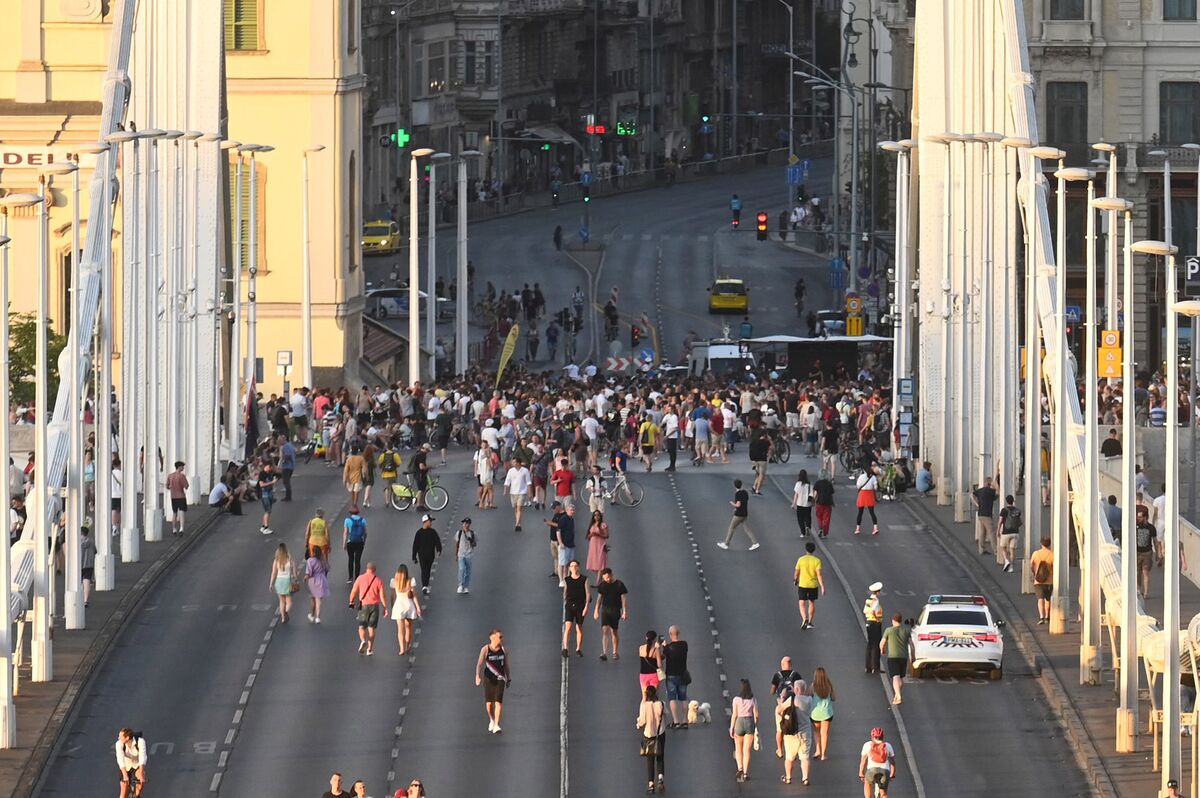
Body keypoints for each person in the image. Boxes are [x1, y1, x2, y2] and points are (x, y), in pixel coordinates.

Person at [475, 628, 511, 734]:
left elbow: (506, 665)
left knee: (498, 702)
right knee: (489, 703)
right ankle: (491, 719)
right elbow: (479, 664)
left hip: (500, 678)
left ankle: (496, 724)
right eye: (500, 637)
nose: (502, 639)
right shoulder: (486, 649)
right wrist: (477, 675)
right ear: (492, 637)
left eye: (502, 637)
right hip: (489, 678)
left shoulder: (504, 650)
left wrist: (508, 678)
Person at [778, 679, 813, 786]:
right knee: (805, 756)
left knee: (789, 757)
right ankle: (805, 778)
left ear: (797, 689)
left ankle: (788, 777)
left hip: (792, 732)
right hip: (805, 732)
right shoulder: (809, 700)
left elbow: (780, 709)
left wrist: (781, 701)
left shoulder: (793, 699)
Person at [348, 562, 388, 655]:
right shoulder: (378, 580)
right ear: (374, 570)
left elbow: (354, 591)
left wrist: (351, 602)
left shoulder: (360, 578)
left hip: (364, 606)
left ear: (367, 569)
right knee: (372, 628)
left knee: (362, 626)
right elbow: (382, 596)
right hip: (374, 606)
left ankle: (363, 640)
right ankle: (370, 649)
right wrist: (385, 607)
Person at [637, 683, 669, 794]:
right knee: (660, 756)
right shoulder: (661, 704)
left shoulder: (644, 706)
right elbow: (666, 713)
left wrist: (638, 724)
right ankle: (660, 778)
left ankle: (651, 784)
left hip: (649, 734)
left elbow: (642, 722)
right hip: (660, 733)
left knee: (650, 759)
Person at [770, 657, 804, 756]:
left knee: (779, 729)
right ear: (790, 664)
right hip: (793, 705)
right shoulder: (796, 675)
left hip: (781, 705)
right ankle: (797, 750)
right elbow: (801, 689)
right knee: (795, 726)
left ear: (782, 664)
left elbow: (772, 691)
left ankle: (780, 750)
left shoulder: (777, 675)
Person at [595, 567, 629, 661]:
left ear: (611, 575)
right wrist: (596, 610)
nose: (607, 579)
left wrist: (625, 611)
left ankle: (615, 651)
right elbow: (599, 598)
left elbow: (624, 599)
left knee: (614, 631)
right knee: (605, 630)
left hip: (615, 610)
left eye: (608, 577)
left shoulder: (619, 584)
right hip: (605, 609)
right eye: (605, 578)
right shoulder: (602, 585)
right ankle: (604, 652)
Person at [880, 613, 914, 704]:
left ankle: (898, 696)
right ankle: (897, 694)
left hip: (893, 657)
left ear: (893, 620)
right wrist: (913, 657)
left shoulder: (888, 630)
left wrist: (882, 650)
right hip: (903, 657)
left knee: (895, 677)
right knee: (900, 677)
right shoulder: (906, 630)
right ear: (901, 621)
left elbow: (882, 642)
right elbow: (911, 644)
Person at [729, 679, 759, 783]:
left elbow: (734, 714)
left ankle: (740, 768)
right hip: (749, 721)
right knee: (746, 750)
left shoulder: (736, 699)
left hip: (739, 722)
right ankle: (746, 773)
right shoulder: (753, 699)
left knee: (738, 748)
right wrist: (756, 726)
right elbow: (756, 715)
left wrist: (731, 727)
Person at [718, 479, 759, 550]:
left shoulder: (738, 494)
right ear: (741, 485)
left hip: (738, 515)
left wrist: (732, 504)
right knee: (747, 529)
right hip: (745, 513)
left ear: (735, 486)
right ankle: (755, 543)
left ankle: (726, 544)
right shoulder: (745, 492)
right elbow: (744, 502)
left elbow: (738, 505)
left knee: (731, 528)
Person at [391, 563, 422, 655]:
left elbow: (392, 596)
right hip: (409, 606)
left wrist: (392, 605)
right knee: (408, 628)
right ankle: (408, 645)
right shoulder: (410, 581)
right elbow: (414, 595)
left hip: (399, 606)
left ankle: (401, 648)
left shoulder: (394, 581)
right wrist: (418, 607)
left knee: (400, 630)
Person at [793, 541, 825, 629]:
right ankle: (810, 621)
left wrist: (795, 579)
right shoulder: (817, 561)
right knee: (811, 602)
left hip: (803, 584)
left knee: (801, 602)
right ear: (813, 550)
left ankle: (804, 618)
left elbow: (796, 572)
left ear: (806, 549)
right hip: (813, 585)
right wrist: (822, 586)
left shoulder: (801, 559)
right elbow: (819, 574)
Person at [562, 559, 589, 657]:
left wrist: (586, 607)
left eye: (575, 566)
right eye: (572, 566)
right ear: (569, 568)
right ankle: (565, 648)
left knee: (579, 627)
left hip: (580, 606)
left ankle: (578, 648)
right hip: (570, 605)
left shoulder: (584, 579)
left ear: (578, 567)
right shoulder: (567, 580)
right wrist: (566, 602)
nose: (573, 568)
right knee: (568, 627)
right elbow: (565, 592)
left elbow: (588, 594)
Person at [661, 625, 688, 725]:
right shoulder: (684, 644)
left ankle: (676, 721)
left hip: (671, 676)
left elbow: (663, 657)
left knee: (672, 698)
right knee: (683, 697)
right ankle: (685, 720)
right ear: (678, 633)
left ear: (670, 634)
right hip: (683, 674)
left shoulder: (668, 647)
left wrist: (664, 646)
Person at [860, 727, 897, 798]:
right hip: (885, 771)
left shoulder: (867, 745)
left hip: (871, 771)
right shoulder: (887, 745)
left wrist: (861, 774)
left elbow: (863, 761)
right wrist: (892, 774)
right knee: (884, 794)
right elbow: (892, 762)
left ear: (872, 736)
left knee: (867, 782)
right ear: (883, 736)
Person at [412, 514, 443, 595]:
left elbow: (437, 541)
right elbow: (415, 545)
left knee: (428, 570)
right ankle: (425, 586)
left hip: (430, 555)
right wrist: (414, 557)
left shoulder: (433, 532)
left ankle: (426, 584)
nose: (431, 523)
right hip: (422, 555)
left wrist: (439, 550)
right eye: (430, 521)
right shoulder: (419, 533)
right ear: (425, 522)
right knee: (424, 569)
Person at [1135, 505, 1161, 598]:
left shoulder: (1151, 528)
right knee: (1138, 572)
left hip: (1147, 553)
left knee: (1145, 572)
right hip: (1137, 553)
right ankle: (1138, 589)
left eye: (1140, 517)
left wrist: (1158, 553)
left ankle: (1146, 592)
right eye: (1137, 517)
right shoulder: (1135, 526)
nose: (1138, 518)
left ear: (1145, 517)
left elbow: (1155, 541)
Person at [809, 666, 835, 760]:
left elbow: (809, 696)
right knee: (824, 733)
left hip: (815, 713)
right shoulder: (828, 685)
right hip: (827, 713)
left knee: (816, 732)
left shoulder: (813, 686)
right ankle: (823, 754)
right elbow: (834, 697)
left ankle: (817, 750)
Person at [115, 727, 147, 798]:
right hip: (125, 765)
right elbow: (120, 759)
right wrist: (125, 775)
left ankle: (136, 796)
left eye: (120, 737)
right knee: (123, 791)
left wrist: (141, 773)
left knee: (141, 782)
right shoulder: (118, 744)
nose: (118, 738)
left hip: (137, 764)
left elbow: (142, 757)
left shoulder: (140, 741)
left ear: (127, 738)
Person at [269, 542, 297, 623]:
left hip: (279, 581)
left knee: (281, 601)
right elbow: (294, 571)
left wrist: (271, 584)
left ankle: (283, 618)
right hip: (287, 581)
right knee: (289, 601)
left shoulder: (276, 560)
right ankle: (286, 612)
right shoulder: (290, 559)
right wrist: (296, 579)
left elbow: (274, 573)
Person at [971, 476, 998, 556]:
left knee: (983, 532)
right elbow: (998, 493)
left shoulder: (980, 491)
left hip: (980, 514)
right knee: (992, 532)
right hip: (987, 515)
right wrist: (995, 485)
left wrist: (976, 504)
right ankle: (996, 550)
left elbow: (972, 495)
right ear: (989, 483)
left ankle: (981, 549)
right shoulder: (990, 491)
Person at [1030, 536, 1054, 624]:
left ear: (1041, 543)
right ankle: (1048, 616)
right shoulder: (1052, 554)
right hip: (1049, 581)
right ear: (1049, 544)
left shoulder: (1036, 554)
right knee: (1048, 599)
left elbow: (1031, 565)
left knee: (1040, 599)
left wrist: (1035, 573)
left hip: (1038, 580)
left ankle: (1041, 617)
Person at [504, 457, 531, 531]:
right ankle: (518, 522)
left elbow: (528, 482)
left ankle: (517, 524)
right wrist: (505, 490)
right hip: (513, 492)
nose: (512, 463)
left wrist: (529, 493)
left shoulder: (525, 471)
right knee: (516, 508)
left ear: (518, 463)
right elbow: (507, 481)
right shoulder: (511, 471)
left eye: (514, 462)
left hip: (522, 492)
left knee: (519, 508)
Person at [304, 545, 330, 623]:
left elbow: (309, 573)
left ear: (313, 552)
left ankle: (312, 615)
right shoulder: (323, 560)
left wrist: (305, 578)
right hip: (322, 579)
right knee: (318, 599)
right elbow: (327, 568)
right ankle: (318, 617)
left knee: (313, 599)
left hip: (313, 580)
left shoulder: (310, 561)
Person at [997, 495, 1022, 572]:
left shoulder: (1004, 510)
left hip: (1006, 532)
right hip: (1015, 532)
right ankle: (1011, 567)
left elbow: (1000, 521)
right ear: (1013, 501)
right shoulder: (1017, 510)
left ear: (1006, 501)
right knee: (1012, 550)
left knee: (1003, 547)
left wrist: (998, 530)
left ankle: (1007, 560)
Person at [863, 581, 884, 674]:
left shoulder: (868, 600)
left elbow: (865, 611)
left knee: (870, 644)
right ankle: (875, 667)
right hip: (875, 624)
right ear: (878, 592)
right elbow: (873, 612)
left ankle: (868, 666)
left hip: (868, 623)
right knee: (876, 645)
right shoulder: (876, 601)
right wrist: (877, 619)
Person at [344, 506, 368, 584]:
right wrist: (364, 541)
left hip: (350, 542)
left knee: (351, 559)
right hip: (359, 542)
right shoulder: (363, 520)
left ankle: (350, 577)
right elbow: (365, 533)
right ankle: (357, 578)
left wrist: (344, 543)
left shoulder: (347, 520)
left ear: (350, 512)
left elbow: (345, 533)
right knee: (357, 560)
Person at [556, 504, 578, 585]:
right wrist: (561, 543)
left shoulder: (571, 519)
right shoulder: (563, 519)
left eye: (573, 510)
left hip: (571, 544)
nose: (572, 511)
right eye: (570, 510)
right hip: (564, 545)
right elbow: (558, 531)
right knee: (562, 563)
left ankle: (567, 579)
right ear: (567, 510)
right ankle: (561, 580)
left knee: (569, 563)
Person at [165, 461, 189, 536]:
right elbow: (186, 486)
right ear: (179, 467)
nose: (183, 468)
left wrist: (171, 487)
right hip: (181, 496)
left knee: (174, 513)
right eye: (182, 466)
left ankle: (174, 529)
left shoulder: (170, 476)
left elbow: (167, 486)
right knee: (181, 512)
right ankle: (181, 528)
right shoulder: (182, 476)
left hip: (173, 497)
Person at [854, 466, 880, 535]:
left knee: (860, 512)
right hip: (870, 494)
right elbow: (875, 487)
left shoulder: (861, 477)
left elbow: (858, 486)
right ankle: (875, 528)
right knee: (872, 512)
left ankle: (857, 528)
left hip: (862, 494)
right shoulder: (873, 477)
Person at [455, 517, 477, 594]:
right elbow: (457, 544)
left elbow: (475, 544)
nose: (465, 525)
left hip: (469, 555)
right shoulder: (459, 533)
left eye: (467, 523)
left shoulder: (472, 533)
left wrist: (471, 541)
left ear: (469, 524)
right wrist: (456, 554)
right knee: (462, 568)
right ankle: (460, 585)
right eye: (464, 523)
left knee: (468, 571)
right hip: (461, 554)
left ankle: (466, 586)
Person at [585, 509, 610, 580]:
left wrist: (598, 534)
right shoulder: (592, 525)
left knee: (601, 563)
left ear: (600, 516)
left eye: (598, 515)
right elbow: (588, 536)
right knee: (595, 562)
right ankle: (602, 580)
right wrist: (591, 535)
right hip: (593, 546)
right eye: (595, 515)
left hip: (600, 545)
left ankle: (598, 582)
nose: (596, 516)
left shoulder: (603, 525)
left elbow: (607, 535)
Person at [639, 630, 664, 696]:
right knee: (653, 695)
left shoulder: (641, 648)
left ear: (646, 638)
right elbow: (659, 665)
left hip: (643, 675)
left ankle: (644, 706)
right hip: (653, 675)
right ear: (655, 639)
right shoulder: (656, 650)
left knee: (644, 697)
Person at [257, 461, 278, 535]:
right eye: (272, 467)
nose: (272, 469)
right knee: (267, 511)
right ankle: (266, 527)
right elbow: (261, 484)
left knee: (268, 511)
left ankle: (263, 526)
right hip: (264, 495)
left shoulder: (270, 473)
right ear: (268, 466)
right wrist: (272, 482)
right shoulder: (262, 474)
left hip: (269, 494)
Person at [791, 470, 814, 537]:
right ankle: (808, 526)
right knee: (808, 516)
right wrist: (813, 503)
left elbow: (796, 494)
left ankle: (803, 532)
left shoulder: (798, 484)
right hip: (807, 504)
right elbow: (812, 494)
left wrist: (793, 503)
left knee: (800, 518)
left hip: (800, 503)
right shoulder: (810, 484)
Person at [748, 430, 771, 494]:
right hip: (763, 460)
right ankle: (757, 489)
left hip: (755, 460)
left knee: (758, 474)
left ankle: (754, 487)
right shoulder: (766, 442)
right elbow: (771, 448)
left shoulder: (754, 441)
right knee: (762, 475)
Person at [813, 471, 835, 538]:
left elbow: (815, 493)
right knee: (826, 518)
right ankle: (824, 532)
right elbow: (831, 493)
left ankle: (820, 528)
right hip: (828, 503)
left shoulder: (817, 483)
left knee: (819, 517)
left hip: (819, 502)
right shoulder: (829, 484)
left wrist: (813, 500)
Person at [79, 525, 96, 608]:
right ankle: (86, 600)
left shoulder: (77, 542)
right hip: (89, 565)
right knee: (87, 582)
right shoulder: (91, 541)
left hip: (79, 564)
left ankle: (78, 599)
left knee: (78, 582)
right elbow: (95, 551)